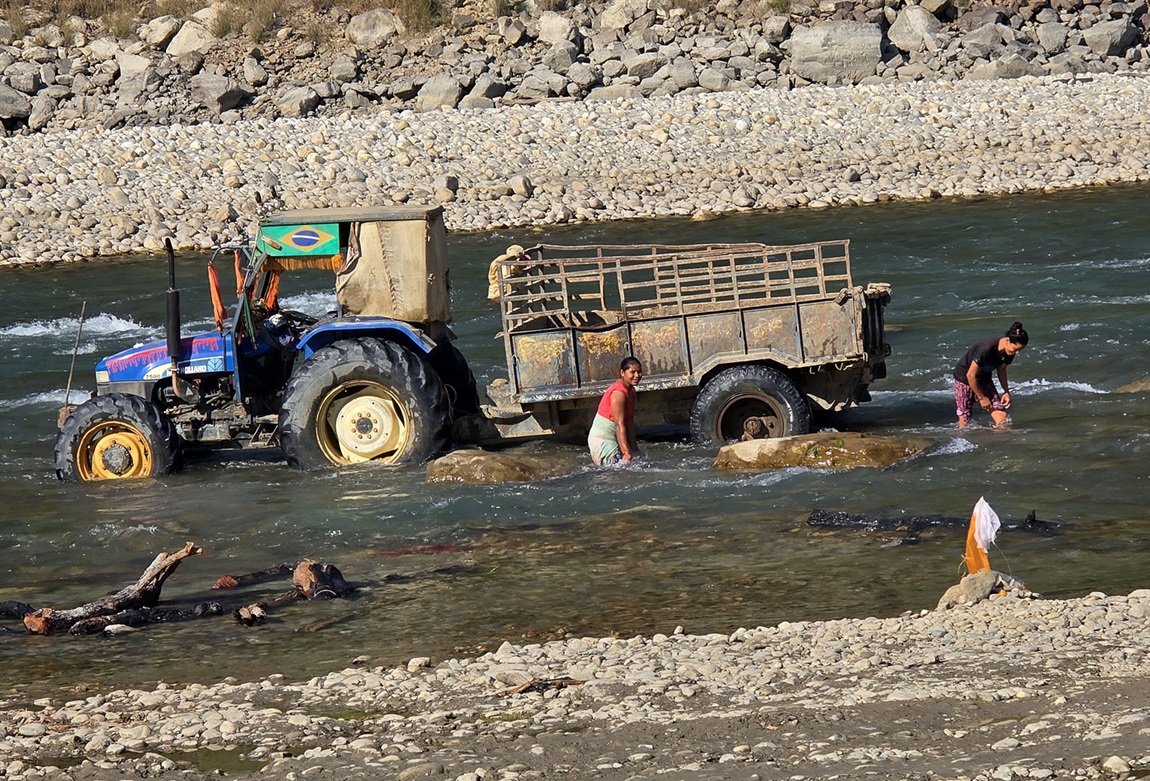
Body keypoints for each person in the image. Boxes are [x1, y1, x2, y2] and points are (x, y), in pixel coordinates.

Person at [953, 322, 1029, 427]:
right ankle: (963, 442)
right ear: (1007, 340)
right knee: (965, 420)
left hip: (984, 379)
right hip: (964, 380)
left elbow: (1001, 369)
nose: (1017, 353)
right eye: (1015, 349)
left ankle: (997, 441)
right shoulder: (986, 349)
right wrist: (982, 397)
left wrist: (1006, 391)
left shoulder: (1008, 352)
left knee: (1002, 417)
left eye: (1019, 350)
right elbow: (970, 375)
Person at [588, 357, 643, 465]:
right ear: (622, 372)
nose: (637, 375)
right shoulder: (618, 393)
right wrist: (626, 452)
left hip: (615, 438)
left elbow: (630, 423)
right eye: (632, 372)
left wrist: (634, 448)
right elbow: (619, 424)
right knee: (618, 473)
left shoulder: (631, 390)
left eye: (639, 372)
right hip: (602, 440)